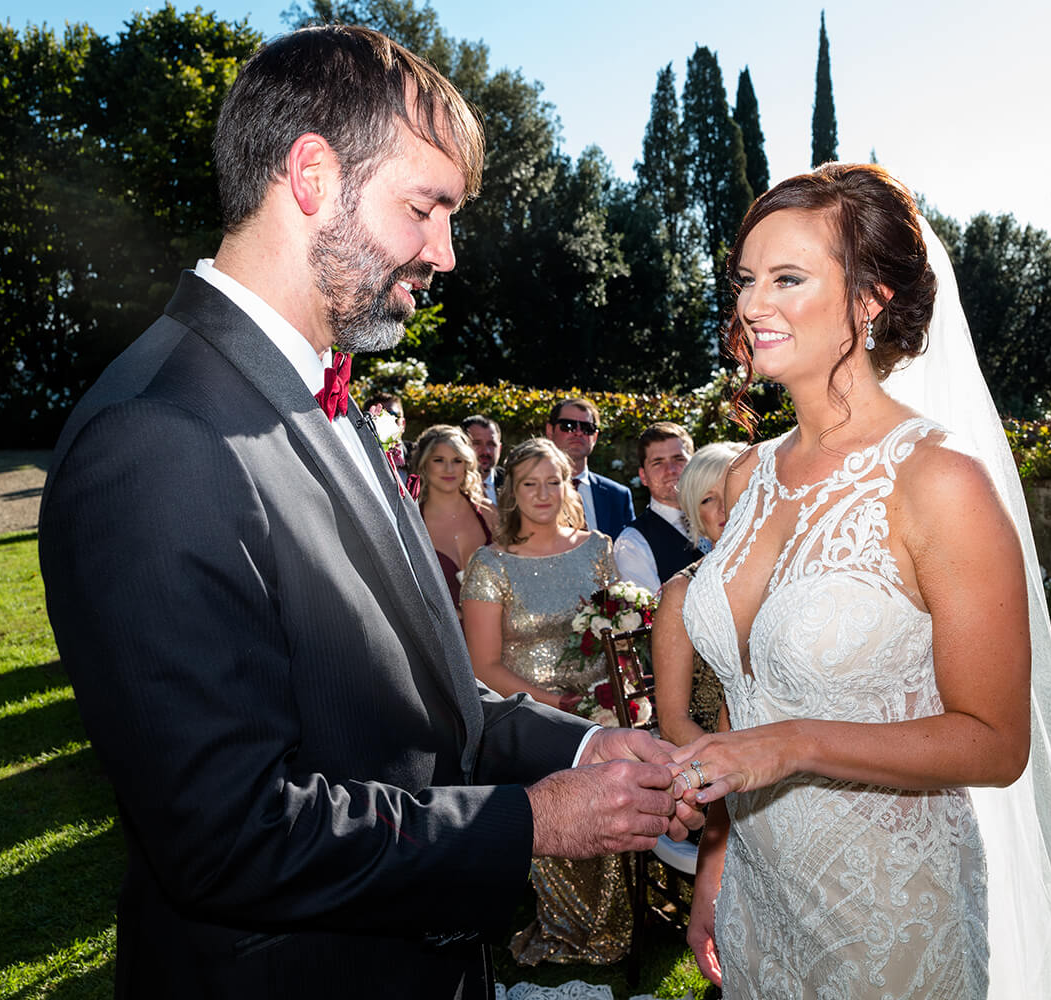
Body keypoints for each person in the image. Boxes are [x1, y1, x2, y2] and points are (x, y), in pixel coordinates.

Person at [36, 26, 697, 1000]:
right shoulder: (156, 440)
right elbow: (231, 834)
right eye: (425, 209)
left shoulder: (326, 401)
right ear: (312, 177)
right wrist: (535, 823)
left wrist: (592, 748)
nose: (447, 253)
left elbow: (427, 702)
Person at [673, 164, 1051, 998]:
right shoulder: (746, 480)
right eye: (745, 279)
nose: (749, 304)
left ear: (870, 298)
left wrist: (798, 743)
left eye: (787, 279)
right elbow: (748, 707)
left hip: (886, 915)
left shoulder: (937, 484)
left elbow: (994, 742)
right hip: (762, 899)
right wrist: (716, 864)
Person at [459, 437, 631, 965]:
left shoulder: (597, 549)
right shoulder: (491, 563)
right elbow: (482, 664)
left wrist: (618, 687)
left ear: (568, 484)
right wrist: (550, 701)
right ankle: (565, 924)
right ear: (511, 491)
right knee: (562, 815)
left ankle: (620, 920)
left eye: (552, 481)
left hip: (602, 707)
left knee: (617, 807)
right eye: (529, 483)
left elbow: (619, 633)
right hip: (529, 715)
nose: (542, 493)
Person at [651, 441, 744, 746]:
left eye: (732, 493)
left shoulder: (793, 575)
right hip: (720, 761)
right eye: (708, 499)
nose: (724, 509)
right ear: (694, 515)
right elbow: (672, 722)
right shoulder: (682, 592)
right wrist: (731, 768)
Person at [411, 423, 498, 611]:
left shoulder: (489, 513)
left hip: (494, 631)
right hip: (441, 637)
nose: (449, 469)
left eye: (457, 460)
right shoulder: (413, 522)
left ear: (466, 464)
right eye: (439, 460)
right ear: (424, 464)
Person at [614, 421, 699, 593]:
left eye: (679, 459)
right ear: (643, 476)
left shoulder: (722, 519)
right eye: (658, 463)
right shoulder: (632, 542)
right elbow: (653, 613)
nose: (671, 470)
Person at [544, 397, 634, 537]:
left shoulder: (618, 497)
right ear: (550, 431)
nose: (578, 432)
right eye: (568, 426)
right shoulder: (530, 490)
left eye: (587, 428)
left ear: (595, 437)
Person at [460, 412, 503, 505]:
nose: (485, 451)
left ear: (499, 449)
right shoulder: (449, 484)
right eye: (477, 443)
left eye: (491, 444)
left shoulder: (512, 483)